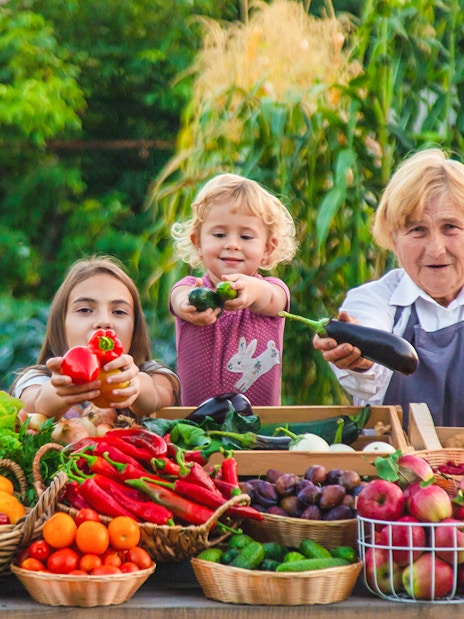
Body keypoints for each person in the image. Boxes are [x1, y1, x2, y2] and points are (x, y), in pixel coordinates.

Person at [313, 147, 464, 428]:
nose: (436, 249)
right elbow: (371, 370)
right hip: (390, 468)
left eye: (451, 227)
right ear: (394, 240)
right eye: (417, 230)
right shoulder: (372, 301)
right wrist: (359, 359)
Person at [170, 172, 298, 406]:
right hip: (195, 423)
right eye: (219, 234)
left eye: (246, 236)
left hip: (260, 425)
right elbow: (177, 298)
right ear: (197, 243)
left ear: (268, 248)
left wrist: (252, 291)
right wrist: (186, 304)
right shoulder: (191, 288)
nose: (232, 244)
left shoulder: (271, 290)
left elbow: (272, 299)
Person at [11, 256, 180, 421]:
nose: (104, 322)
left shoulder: (153, 374)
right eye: (85, 310)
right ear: (61, 323)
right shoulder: (37, 379)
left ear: (135, 327)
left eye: (119, 312)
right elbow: (32, 402)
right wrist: (59, 391)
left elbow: (161, 395)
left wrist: (136, 385)